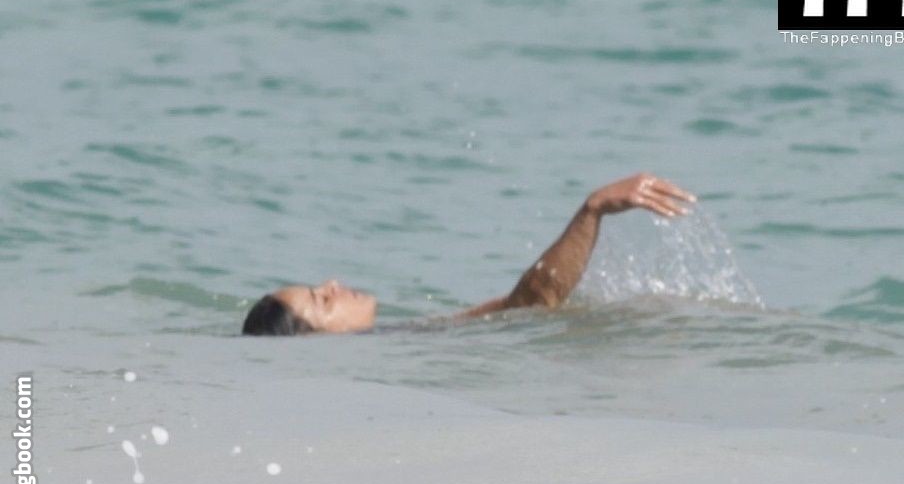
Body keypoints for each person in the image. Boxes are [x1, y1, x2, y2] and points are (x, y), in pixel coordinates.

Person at [242, 172, 696, 336]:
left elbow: (519, 306)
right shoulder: (403, 346)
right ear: (322, 345)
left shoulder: (403, 337)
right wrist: (592, 210)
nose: (332, 284)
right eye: (322, 300)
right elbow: (532, 303)